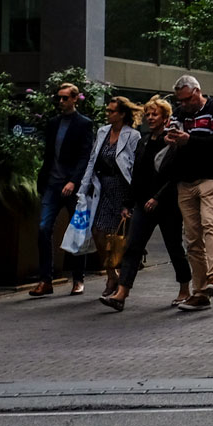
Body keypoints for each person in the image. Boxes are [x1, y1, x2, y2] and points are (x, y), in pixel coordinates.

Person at [101, 96, 192, 312]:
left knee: (174, 247)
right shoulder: (143, 141)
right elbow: (138, 175)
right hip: (143, 203)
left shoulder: (171, 141)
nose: (150, 118)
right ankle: (122, 293)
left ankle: (184, 289)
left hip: (167, 204)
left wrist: (157, 197)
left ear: (165, 118)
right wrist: (128, 203)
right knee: (133, 246)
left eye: (155, 114)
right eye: (148, 114)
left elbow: (174, 175)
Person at [166, 75, 213, 311]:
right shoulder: (179, 113)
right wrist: (172, 138)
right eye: (179, 101)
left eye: (186, 100)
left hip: (210, 178)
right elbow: (172, 136)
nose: (183, 105)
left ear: (197, 92)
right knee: (192, 237)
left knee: (210, 223)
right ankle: (201, 291)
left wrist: (189, 140)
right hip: (185, 181)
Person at [31, 83, 94, 297]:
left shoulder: (84, 124)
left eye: (65, 98)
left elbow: (85, 156)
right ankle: (45, 280)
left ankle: (78, 279)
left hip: (71, 186)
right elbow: (49, 154)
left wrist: (73, 181)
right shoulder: (53, 123)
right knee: (43, 229)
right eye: (59, 98)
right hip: (51, 184)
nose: (61, 102)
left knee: (77, 230)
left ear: (75, 99)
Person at [78, 95, 142, 296]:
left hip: (123, 188)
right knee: (98, 230)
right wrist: (84, 185)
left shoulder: (132, 135)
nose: (107, 114)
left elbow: (133, 165)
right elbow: (92, 159)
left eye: (111, 111)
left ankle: (121, 282)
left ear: (122, 114)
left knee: (120, 236)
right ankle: (111, 274)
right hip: (103, 187)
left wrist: (130, 200)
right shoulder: (103, 131)